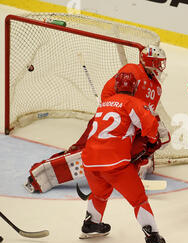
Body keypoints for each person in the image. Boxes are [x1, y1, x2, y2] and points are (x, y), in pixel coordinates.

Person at [24, 45, 169, 193]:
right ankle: (40, 175)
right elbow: (108, 93)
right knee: (82, 151)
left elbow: (146, 113)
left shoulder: (157, 87)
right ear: (149, 62)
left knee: (162, 136)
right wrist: (120, 113)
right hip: (111, 121)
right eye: (159, 63)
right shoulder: (131, 70)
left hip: (129, 127)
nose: (161, 67)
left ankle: (135, 165)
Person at [79, 71, 166, 243]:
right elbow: (150, 127)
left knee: (100, 193)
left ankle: (91, 223)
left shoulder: (103, 105)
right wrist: (150, 142)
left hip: (89, 162)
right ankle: (153, 237)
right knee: (139, 199)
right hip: (115, 163)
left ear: (117, 87)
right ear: (134, 88)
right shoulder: (133, 102)